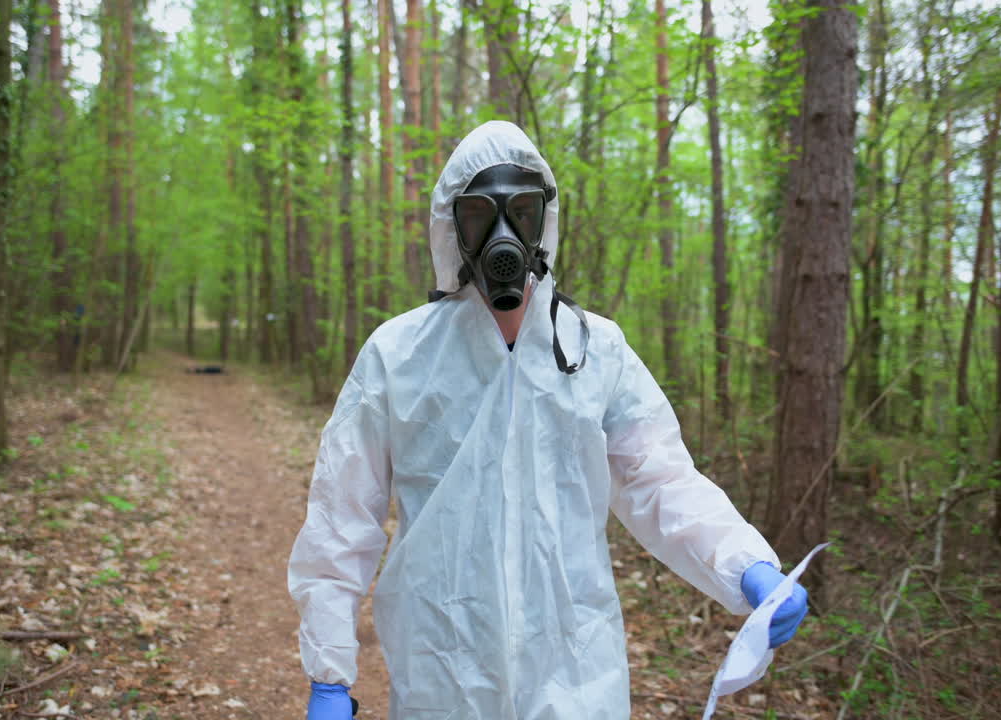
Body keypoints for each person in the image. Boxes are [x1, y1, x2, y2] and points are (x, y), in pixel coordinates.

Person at [288, 121, 808, 720]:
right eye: (481, 214)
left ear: (544, 223)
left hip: (575, 669)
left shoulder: (596, 351)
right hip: (441, 668)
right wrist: (328, 674)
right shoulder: (398, 356)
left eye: (523, 211)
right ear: (453, 228)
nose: (502, 234)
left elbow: (660, 480)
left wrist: (747, 565)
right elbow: (341, 516)